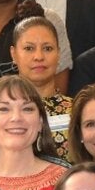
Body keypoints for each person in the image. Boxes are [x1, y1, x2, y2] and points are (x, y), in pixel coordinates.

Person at [10, 16, 72, 160]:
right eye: (29, 48)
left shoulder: (77, 111)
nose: (38, 56)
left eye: (47, 48)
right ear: (13, 54)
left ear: (58, 54)